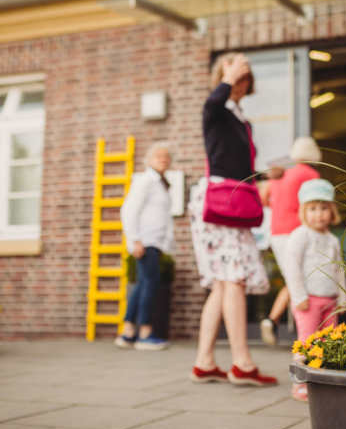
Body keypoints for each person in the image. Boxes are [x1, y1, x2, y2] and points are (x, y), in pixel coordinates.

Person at [188, 52, 277, 387]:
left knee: (223, 283)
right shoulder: (217, 110)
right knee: (234, 278)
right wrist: (226, 77)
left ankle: (204, 361)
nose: (242, 80)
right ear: (223, 77)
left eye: (245, 76)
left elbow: (234, 164)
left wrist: (265, 176)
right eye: (237, 75)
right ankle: (241, 362)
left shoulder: (240, 118)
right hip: (219, 205)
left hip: (228, 202)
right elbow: (210, 106)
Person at [282, 178, 346, 401]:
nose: (318, 214)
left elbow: (339, 270)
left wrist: (342, 297)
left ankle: (323, 381)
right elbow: (292, 267)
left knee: (328, 342)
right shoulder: (301, 235)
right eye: (312, 209)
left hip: (330, 299)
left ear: (332, 211)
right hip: (308, 300)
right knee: (307, 342)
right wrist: (299, 295)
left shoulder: (332, 240)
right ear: (304, 211)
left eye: (323, 208)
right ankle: (301, 384)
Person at [258, 137, 322, 346]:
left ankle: (273, 321)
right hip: (297, 231)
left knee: (293, 278)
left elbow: (263, 199)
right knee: (299, 280)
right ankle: (303, 332)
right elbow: (317, 203)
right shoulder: (310, 174)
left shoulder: (279, 174)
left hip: (276, 231)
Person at [115, 145, 174, 351]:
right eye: (158, 156)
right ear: (148, 160)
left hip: (154, 243)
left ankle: (128, 332)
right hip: (145, 241)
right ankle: (145, 334)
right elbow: (129, 210)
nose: (163, 159)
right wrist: (134, 240)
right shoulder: (146, 181)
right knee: (150, 285)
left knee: (143, 285)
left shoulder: (160, 183)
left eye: (166, 156)